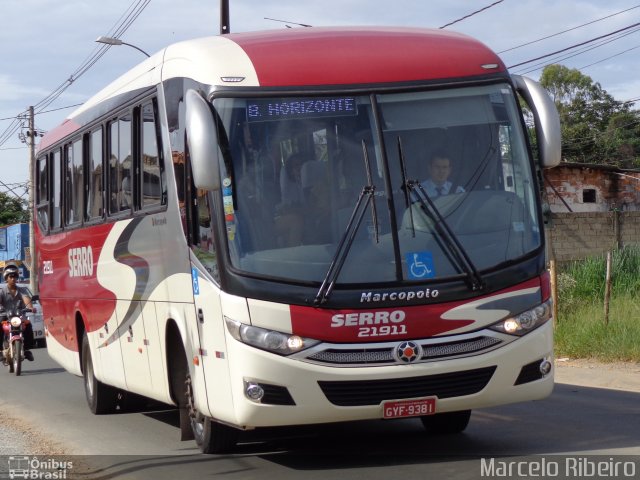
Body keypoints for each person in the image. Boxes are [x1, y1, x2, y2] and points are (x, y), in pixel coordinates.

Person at [0, 263, 35, 362]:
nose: (13, 278)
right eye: (11, 276)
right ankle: (0, 351)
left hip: (19, 316)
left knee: (28, 326)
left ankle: (27, 349)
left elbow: (26, 300)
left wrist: (31, 308)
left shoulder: (22, 290)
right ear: (6, 278)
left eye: (15, 276)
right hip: (5, 316)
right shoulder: (2, 291)